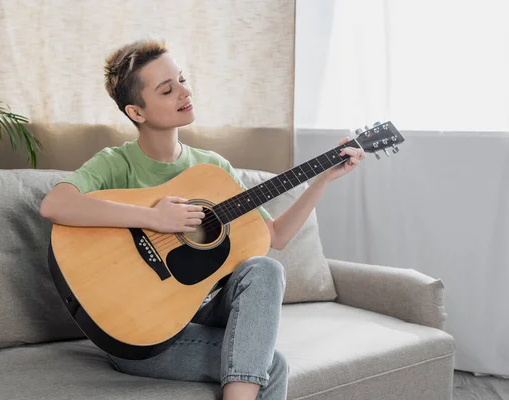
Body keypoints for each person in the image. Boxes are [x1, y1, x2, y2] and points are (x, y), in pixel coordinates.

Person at [40, 38, 365, 400]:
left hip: (200, 312)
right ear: (137, 112)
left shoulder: (213, 170)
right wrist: (153, 217)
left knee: (266, 269)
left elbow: (275, 236)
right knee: (271, 368)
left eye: (182, 79)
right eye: (167, 89)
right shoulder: (116, 163)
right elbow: (55, 204)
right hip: (141, 335)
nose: (184, 91)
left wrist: (322, 179)